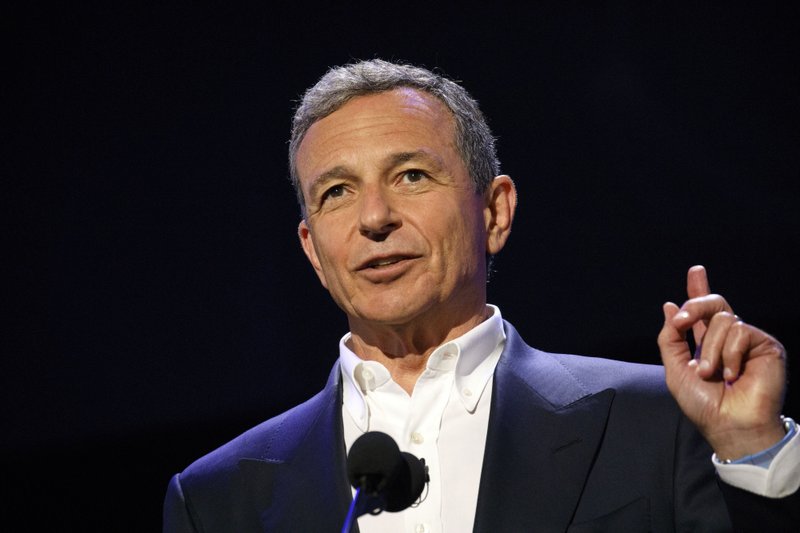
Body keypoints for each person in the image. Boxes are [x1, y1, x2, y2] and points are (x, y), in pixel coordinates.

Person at [163, 59, 799, 532]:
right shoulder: (218, 499)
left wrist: (752, 451)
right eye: (337, 192)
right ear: (313, 251)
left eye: (411, 175)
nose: (374, 218)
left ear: (495, 213)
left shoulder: (654, 422)